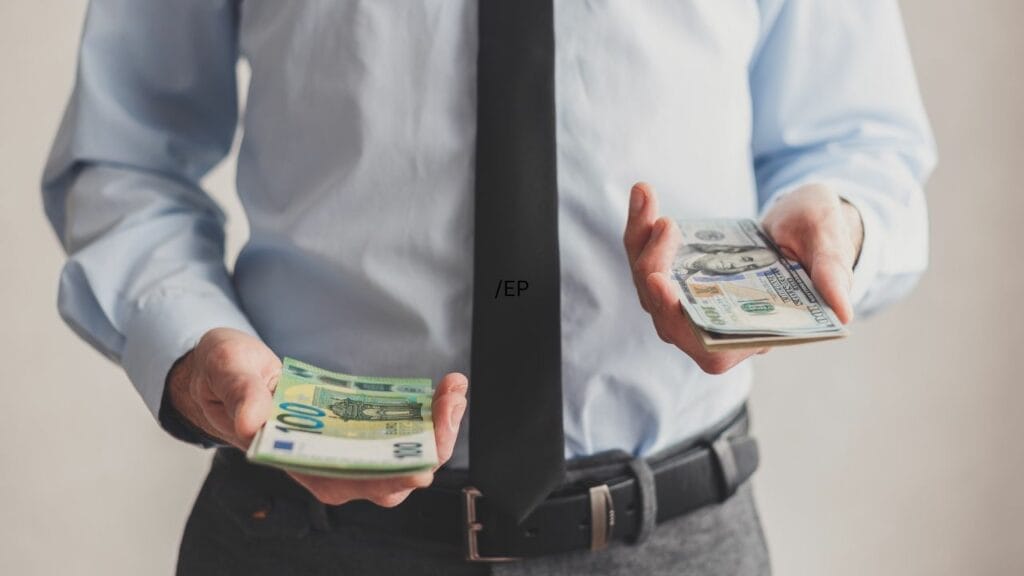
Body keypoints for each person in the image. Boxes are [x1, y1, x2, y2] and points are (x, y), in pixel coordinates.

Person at [42, 1, 933, 574]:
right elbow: (124, 158)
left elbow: (856, 141)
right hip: (304, 542)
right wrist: (193, 351)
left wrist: (837, 231)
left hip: (678, 536)